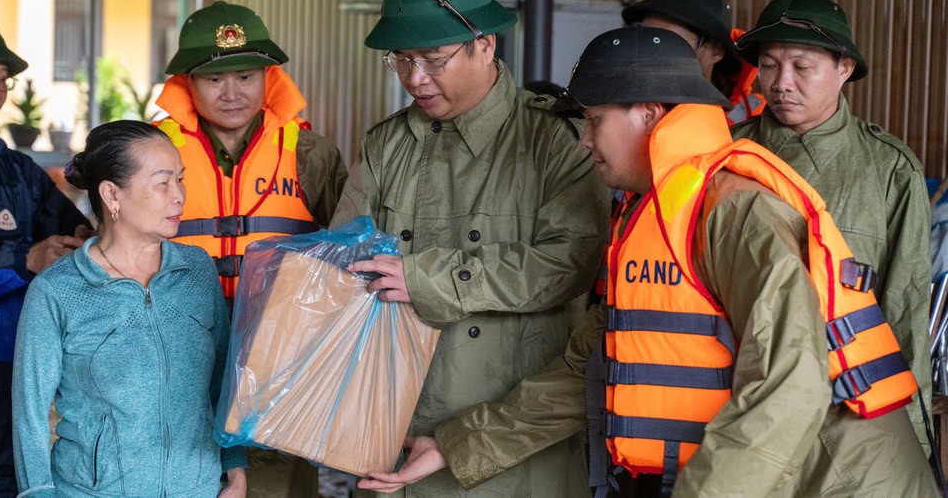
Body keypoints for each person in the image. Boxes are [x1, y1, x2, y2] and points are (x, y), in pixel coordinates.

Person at [358, 25, 938, 497]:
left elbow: (789, 386)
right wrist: (461, 444)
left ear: (651, 114)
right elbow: (592, 364)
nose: (584, 142)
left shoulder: (734, 212)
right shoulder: (650, 215)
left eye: (593, 120)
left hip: (840, 480)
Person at [331, 0, 609, 497]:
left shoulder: (555, 140)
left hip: (513, 445)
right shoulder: (386, 144)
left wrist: (429, 280)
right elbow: (342, 262)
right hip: (396, 438)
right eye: (401, 60)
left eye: (433, 59)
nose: (415, 78)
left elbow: (569, 264)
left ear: (486, 44)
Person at [154, 0, 347, 496]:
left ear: (270, 78)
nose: (232, 92)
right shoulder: (150, 152)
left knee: (275, 484)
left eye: (246, 75)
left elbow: (347, 256)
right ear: (186, 83)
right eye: (214, 78)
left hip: (278, 361)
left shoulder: (311, 153)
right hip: (176, 355)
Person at [731, 0, 933, 452]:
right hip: (736, 401)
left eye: (802, 67)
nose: (781, 83)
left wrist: (912, 443)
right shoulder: (725, 156)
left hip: (844, 411)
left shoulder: (890, 170)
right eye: (768, 65)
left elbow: (904, 311)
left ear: (844, 68)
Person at [11, 120, 246, 497]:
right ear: (112, 194)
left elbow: (221, 379)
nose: (179, 196)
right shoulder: (58, 291)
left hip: (198, 487)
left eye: (180, 180)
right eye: (162, 182)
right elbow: (30, 414)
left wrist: (235, 470)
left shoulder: (197, 270)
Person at [0, 17, 90, 496]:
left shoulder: (20, 172)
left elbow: (76, 233)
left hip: (7, 379)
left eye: (2, 80)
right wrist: (24, 259)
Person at [622, 0, 765, 125]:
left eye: (672, 42)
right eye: (645, 37)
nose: (653, 52)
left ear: (716, 50)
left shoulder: (755, 123)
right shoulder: (615, 109)